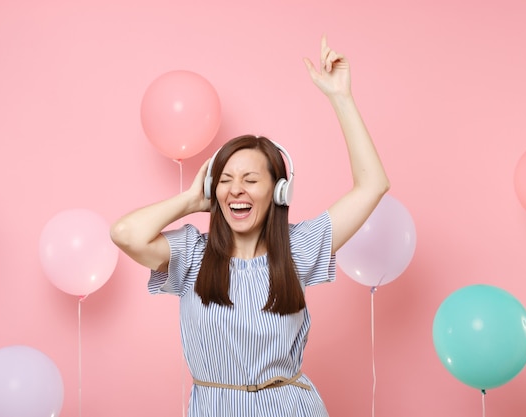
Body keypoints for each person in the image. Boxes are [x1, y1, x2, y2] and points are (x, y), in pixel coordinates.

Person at [110, 35, 389, 417]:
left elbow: (373, 184)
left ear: (279, 191)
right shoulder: (192, 253)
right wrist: (191, 201)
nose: (236, 190)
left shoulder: (298, 248)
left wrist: (340, 97)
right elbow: (124, 233)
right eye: (225, 179)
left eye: (251, 180)